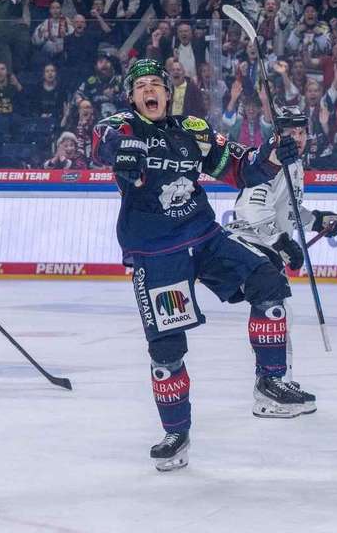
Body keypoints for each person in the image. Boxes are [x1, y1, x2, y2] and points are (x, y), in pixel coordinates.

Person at [91, 59, 304, 472]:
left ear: (169, 94)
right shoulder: (124, 126)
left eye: (157, 85)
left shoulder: (193, 130)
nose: (149, 91)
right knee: (167, 351)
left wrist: (275, 155)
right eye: (141, 87)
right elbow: (103, 140)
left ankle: (271, 381)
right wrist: (122, 151)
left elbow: (242, 169)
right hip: (158, 256)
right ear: (132, 97)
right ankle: (176, 433)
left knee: (268, 282)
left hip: (206, 239)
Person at [226, 121, 337, 392]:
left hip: (265, 245)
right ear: (278, 136)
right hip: (249, 242)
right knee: (274, 310)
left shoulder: (295, 166)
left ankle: (279, 379)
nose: (299, 138)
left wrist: (317, 221)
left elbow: (290, 210)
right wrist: (280, 241)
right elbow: (251, 208)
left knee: (280, 313)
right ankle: (271, 381)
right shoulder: (270, 160)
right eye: (292, 133)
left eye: (303, 132)